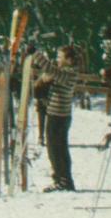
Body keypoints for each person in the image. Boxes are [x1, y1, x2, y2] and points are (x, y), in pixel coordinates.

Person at [32, 45, 79, 192]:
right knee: (54, 149)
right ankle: (59, 177)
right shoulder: (64, 72)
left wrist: (36, 54)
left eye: (60, 57)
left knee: (57, 149)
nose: (57, 60)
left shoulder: (69, 73)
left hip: (60, 116)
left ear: (69, 60)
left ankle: (64, 180)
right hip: (55, 114)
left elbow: (51, 70)